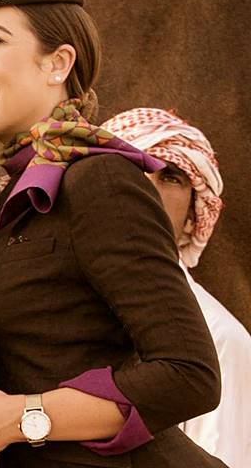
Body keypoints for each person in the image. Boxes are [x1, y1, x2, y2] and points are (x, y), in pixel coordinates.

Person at [0, 0, 224, 467]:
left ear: (57, 63)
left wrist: (21, 417)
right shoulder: (15, 189)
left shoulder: (98, 179)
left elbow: (188, 374)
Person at [105, 107, 251, 467]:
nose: (146, 188)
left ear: (192, 219)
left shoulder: (219, 339)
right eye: (131, 170)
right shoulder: (55, 306)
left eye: (170, 177)